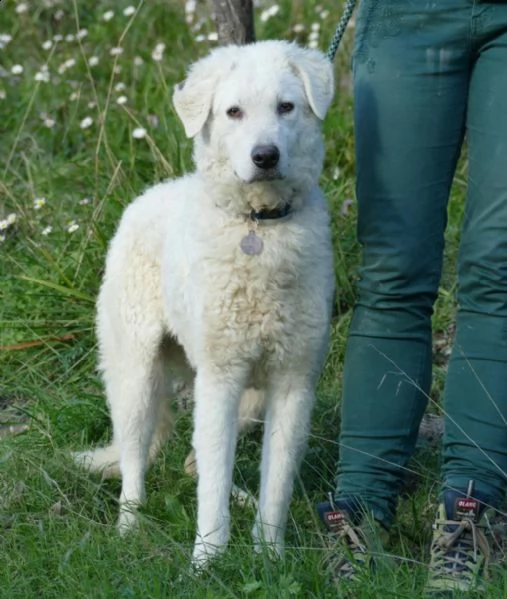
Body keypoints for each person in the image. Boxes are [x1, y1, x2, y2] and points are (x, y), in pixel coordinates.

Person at [318, 1, 507, 594]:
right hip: (406, 17)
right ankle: (359, 509)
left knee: (499, 265)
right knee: (394, 270)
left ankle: (470, 513)